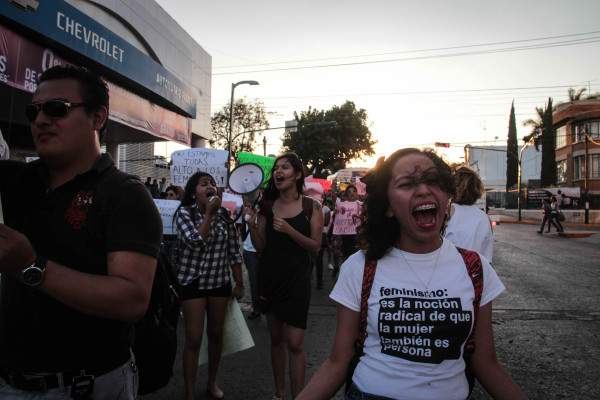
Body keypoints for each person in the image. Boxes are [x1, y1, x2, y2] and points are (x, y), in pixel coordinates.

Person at [297, 148, 527, 400]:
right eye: (407, 184)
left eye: (434, 181)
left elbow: (487, 364)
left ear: (447, 195)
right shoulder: (361, 267)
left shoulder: (475, 268)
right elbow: (337, 361)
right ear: (388, 208)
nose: (424, 190)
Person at [0, 65, 162, 399]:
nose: (41, 120)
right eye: (34, 111)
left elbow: (132, 299)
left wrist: (31, 267)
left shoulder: (124, 194)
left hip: (88, 385)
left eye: (56, 108)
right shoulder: (14, 184)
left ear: (97, 117)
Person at [244, 153, 323, 400]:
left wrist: (289, 230)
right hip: (271, 279)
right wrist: (251, 224)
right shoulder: (267, 205)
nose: (278, 171)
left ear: (297, 174)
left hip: (297, 283)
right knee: (276, 341)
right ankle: (280, 395)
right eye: (276, 168)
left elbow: (315, 246)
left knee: (295, 344)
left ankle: (297, 395)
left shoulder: (312, 207)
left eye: (285, 168)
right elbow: (260, 247)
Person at [173, 171, 245, 400]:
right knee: (194, 338)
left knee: (215, 334)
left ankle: (212, 382)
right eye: (204, 184)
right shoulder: (183, 213)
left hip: (218, 282)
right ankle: (190, 392)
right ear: (194, 193)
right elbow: (195, 241)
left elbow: (234, 251)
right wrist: (209, 216)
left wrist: (239, 282)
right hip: (192, 282)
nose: (210, 186)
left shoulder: (225, 214)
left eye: (212, 183)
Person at [444, 165, 494, 262]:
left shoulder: (447, 213)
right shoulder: (484, 218)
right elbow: (487, 259)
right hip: (474, 274)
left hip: (450, 272)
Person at [314, 197, 331, 289]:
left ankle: (319, 281)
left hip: (321, 234)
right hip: (310, 233)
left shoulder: (326, 209)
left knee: (319, 259)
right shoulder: (309, 206)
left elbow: (326, 222)